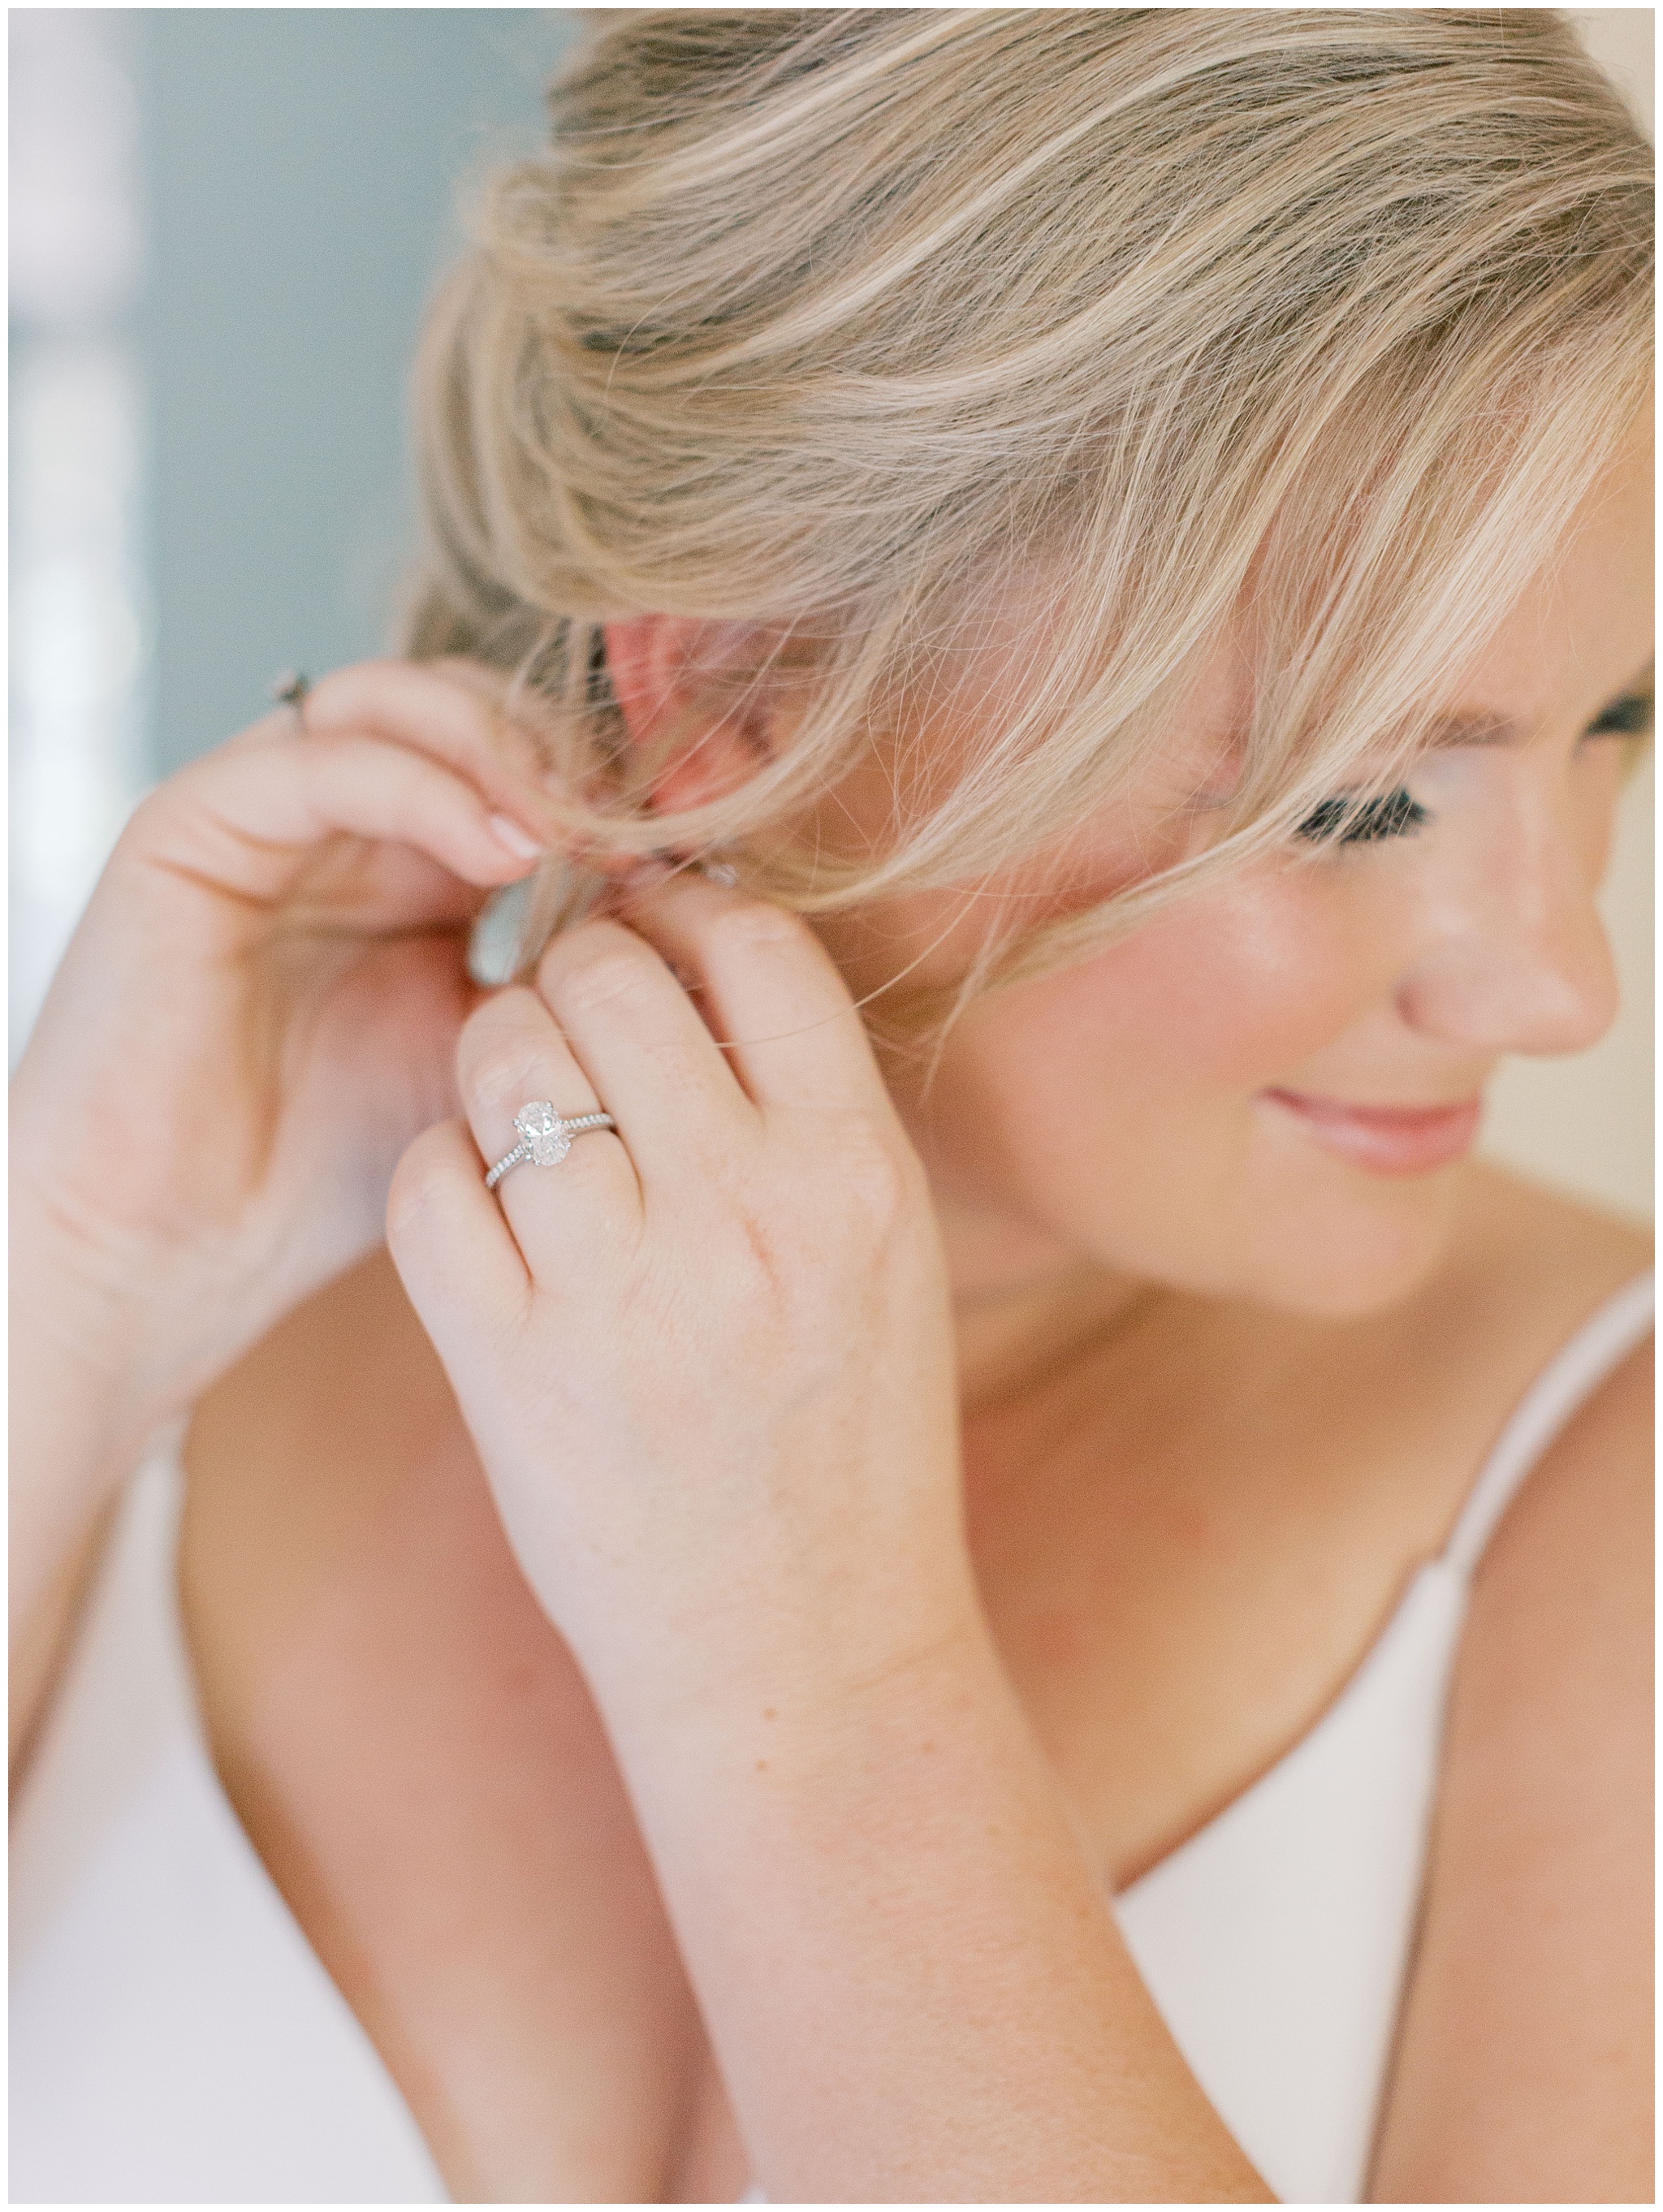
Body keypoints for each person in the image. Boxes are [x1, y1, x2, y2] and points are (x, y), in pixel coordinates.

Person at [10, 10, 1652, 2204]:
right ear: (732, 682)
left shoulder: (1600, 1501)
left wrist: (827, 1668)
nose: (1562, 981)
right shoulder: (161, 1311)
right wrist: (70, 1277)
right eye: (1358, 790)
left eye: (1617, 723)